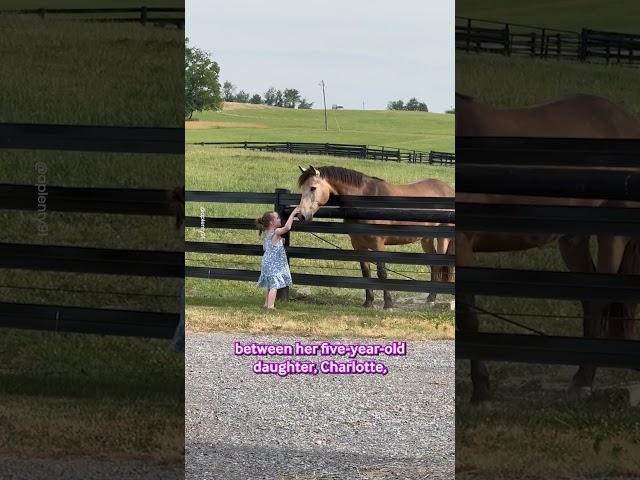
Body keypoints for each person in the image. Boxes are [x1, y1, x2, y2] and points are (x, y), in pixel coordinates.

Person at [255, 207, 300, 309]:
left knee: (269, 285)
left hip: (266, 262)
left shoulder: (266, 233)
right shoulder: (276, 232)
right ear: (272, 222)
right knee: (274, 286)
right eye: (278, 218)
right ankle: (271, 306)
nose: (280, 220)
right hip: (273, 263)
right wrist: (293, 214)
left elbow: (271, 245)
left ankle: (266, 304)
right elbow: (287, 228)